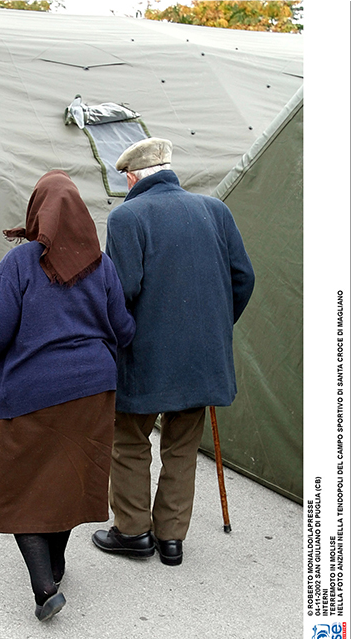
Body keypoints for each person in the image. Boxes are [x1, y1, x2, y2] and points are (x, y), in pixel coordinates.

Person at [0, 170, 135, 621]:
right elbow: (125, 330)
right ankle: (55, 562)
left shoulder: (18, 264)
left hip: (30, 392)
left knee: (19, 486)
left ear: (37, 211)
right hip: (93, 390)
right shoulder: (102, 265)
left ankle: (44, 586)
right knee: (68, 479)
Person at [92, 137, 255, 566]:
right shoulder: (216, 210)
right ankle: (171, 540)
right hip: (203, 359)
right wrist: (213, 329)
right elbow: (243, 278)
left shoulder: (127, 216)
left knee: (128, 441)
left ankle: (132, 533)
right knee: (182, 446)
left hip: (145, 358)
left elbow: (121, 294)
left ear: (131, 177)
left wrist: (116, 342)